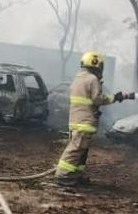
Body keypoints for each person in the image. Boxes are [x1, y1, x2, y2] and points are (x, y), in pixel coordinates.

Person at [55, 51, 132, 186]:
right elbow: (98, 99)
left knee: (81, 151)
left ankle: (75, 174)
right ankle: (63, 175)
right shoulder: (92, 79)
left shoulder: (78, 78)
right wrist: (115, 97)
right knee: (76, 149)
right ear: (96, 64)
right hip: (84, 122)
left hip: (75, 120)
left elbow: (87, 101)